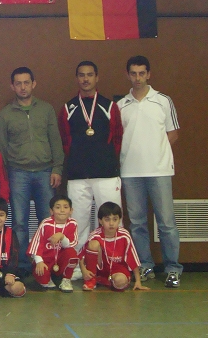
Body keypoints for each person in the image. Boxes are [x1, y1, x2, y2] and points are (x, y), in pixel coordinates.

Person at [118, 55, 182, 288]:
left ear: (149, 74)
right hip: (130, 172)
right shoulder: (121, 105)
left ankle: (173, 268)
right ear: (128, 75)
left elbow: (173, 133)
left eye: (142, 73)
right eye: (133, 73)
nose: (138, 78)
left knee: (166, 223)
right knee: (137, 223)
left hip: (159, 171)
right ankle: (145, 265)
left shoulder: (163, 101)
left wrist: (156, 154)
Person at [0, 66, 64, 275]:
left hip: (45, 171)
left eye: (26, 83)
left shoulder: (46, 109)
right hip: (18, 173)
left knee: (47, 221)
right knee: (19, 222)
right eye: (18, 83)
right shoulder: (5, 114)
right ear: (12, 86)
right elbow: (1, 148)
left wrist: (57, 168)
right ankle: (22, 266)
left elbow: (55, 140)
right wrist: (5, 176)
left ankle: (49, 264)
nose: (23, 87)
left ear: (34, 84)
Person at [58, 61, 123, 281]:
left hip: (106, 174)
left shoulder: (109, 106)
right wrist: (78, 160)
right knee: (78, 223)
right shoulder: (68, 108)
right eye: (81, 75)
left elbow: (117, 137)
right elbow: (65, 140)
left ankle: (112, 266)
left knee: (111, 220)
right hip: (78, 175)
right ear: (77, 78)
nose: (85, 79)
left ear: (97, 77)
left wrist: (106, 159)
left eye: (90, 75)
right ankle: (77, 267)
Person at [80, 201, 149, 292]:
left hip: (118, 268)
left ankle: (105, 281)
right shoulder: (95, 235)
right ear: (100, 221)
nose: (111, 223)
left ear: (119, 220)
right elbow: (81, 255)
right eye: (107, 220)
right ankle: (91, 280)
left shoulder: (124, 235)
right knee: (93, 244)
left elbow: (133, 259)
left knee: (121, 282)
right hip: (101, 268)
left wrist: (138, 281)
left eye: (115, 219)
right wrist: (84, 270)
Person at [27, 194, 79, 293]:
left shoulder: (73, 223)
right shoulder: (46, 224)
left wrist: (61, 236)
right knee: (43, 279)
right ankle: (47, 278)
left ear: (71, 210)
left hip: (59, 261)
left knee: (72, 254)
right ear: (51, 211)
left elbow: (71, 244)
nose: (62, 210)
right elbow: (36, 244)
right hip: (45, 261)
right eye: (58, 207)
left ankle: (66, 279)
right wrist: (39, 261)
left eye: (66, 207)